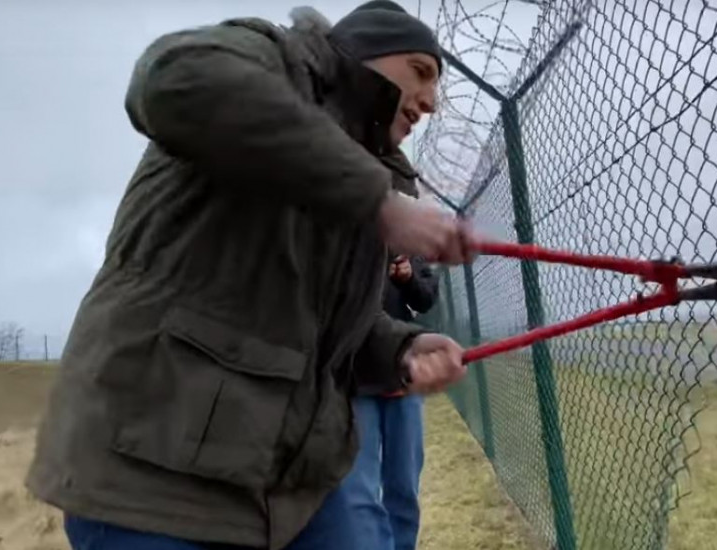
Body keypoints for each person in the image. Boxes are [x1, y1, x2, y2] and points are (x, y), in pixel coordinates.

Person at [25, 2, 472, 549]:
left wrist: (398, 349)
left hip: (291, 480)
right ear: (365, 52)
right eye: (420, 72)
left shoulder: (372, 171)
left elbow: (319, 322)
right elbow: (174, 78)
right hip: (150, 473)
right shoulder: (275, 59)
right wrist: (378, 202)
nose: (430, 101)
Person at [338, 201, 442, 547]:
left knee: (403, 486)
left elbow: (427, 297)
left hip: (401, 379)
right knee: (359, 490)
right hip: (356, 380)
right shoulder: (343, 236)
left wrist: (408, 278)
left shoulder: (407, 246)